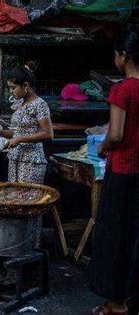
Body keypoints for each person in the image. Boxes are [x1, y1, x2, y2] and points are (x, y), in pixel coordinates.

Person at [89, 28, 139, 315]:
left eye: (116, 53)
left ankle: (115, 303)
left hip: (122, 172)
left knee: (114, 237)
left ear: (124, 56)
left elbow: (117, 134)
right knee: (135, 237)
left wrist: (103, 146)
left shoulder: (122, 90)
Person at [0, 63, 53, 281]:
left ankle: (30, 259)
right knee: (14, 206)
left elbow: (47, 133)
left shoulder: (40, 105)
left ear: (26, 86)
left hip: (32, 162)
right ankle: (14, 253)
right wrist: (2, 134)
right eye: (9, 88)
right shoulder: (20, 104)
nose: (11, 92)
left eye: (13, 88)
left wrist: (18, 139)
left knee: (29, 209)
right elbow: (17, 131)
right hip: (15, 159)